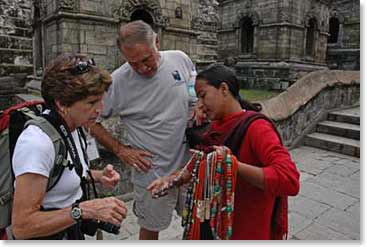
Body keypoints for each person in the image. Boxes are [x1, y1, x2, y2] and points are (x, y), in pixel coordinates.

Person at [148, 64, 300, 240]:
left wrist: (233, 165)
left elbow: (289, 179)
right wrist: (172, 179)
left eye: (203, 96)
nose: (200, 105)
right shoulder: (216, 127)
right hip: (213, 225)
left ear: (224, 89)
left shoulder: (257, 128)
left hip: (245, 229)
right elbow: (200, 164)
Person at [89, 20, 199, 240]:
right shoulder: (118, 81)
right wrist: (121, 150)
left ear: (157, 42)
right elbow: (90, 120)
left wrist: (196, 104)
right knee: (150, 229)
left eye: (146, 59)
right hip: (152, 172)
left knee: (197, 222)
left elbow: (191, 82)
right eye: (133, 63)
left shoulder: (180, 58)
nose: (142, 68)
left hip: (189, 166)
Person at [11, 53, 127, 240]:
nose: (100, 109)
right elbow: (22, 227)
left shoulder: (74, 125)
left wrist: (98, 177)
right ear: (62, 103)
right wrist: (83, 210)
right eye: (91, 102)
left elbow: (63, 171)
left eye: (101, 100)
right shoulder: (37, 143)